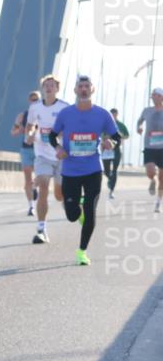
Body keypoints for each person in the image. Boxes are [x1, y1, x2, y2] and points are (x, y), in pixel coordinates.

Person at [49, 75, 121, 265]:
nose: (83, 89)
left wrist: (112, 143)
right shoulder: (65, 113)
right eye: (80, 86)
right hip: (70, 170)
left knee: (90, 210)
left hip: (93, 169)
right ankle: (77, 207)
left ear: (92, 89)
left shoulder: (102, 114)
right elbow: (51, 135)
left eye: (87, 86)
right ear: (75, 90)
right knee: (72, 216)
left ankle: (82, 252)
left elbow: (117, 137)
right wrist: (58, 148)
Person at [26, 75, 69, 243]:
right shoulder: (35, 107)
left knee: (59, 195)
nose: (49, 88)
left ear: (57, 89)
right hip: (42, 154)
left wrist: (60, 133)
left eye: (52, 85)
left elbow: (71, 127)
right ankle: (41, 229)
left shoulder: (64, 107)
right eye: (46, 85)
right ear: (42, 89)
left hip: (61, 155)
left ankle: (66, 200)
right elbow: (30, 125)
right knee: (43, 186)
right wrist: (30, 134)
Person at [11, 91, 41, 214]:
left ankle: (34, 186)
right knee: (27, 178)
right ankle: (31, 206)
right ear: (29, 101)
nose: (34, 102)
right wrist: (20, 130)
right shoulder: (22, 116)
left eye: (36, 100)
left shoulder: (44, 115)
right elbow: (13, 132)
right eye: (32, 100)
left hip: (40, 150)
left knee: (40, 177)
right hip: (26, 149)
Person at [136, 87, 163, 212]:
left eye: (155, 95)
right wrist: (139, 127)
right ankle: (153, 180)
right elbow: (139, 121)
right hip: (149, 146)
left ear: (161, 97)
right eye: (152, 95)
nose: (152, 97)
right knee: (150, 172)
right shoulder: (147, 110)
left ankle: (158, 202)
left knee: (162, 178)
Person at [104, 108, 129, 199]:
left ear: (117, 115)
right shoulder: (105, 124)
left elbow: (127, 135)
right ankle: (110, 179)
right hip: (106, 150)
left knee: (114, 170)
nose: (113, 117)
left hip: (116, 150)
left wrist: (120, 136)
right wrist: (105, 138)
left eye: (115, 115)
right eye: (111, 115)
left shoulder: (121, 125)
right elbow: (99, 135)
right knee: (106, 171)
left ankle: (111, 190)